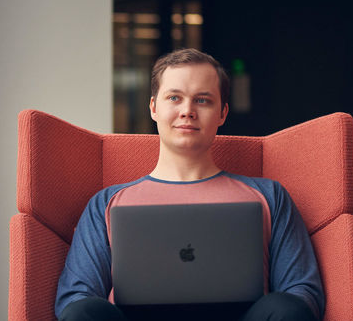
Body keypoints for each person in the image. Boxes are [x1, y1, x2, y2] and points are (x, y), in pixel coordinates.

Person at [55, 48, 325, 321]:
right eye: (174, 97)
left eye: (203, 100)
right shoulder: (106, 203)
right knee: (82, 312)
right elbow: (74, 298)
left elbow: (303, 292)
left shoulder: (269, 196)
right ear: (153, 108)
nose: (187, 111)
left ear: (222, 113)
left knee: (287, 308)